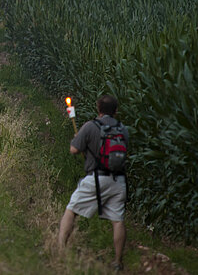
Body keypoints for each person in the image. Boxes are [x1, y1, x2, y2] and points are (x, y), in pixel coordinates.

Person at [58, 95, 129, 271]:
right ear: (116, 110)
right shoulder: (123, 129)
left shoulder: (90, 126)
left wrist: (80, 140)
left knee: (71, 210)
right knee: (117, 220)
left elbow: (74, 149)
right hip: (118, 180)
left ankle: (60, 250)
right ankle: (118, 262)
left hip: (96, 178)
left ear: (98, 108)